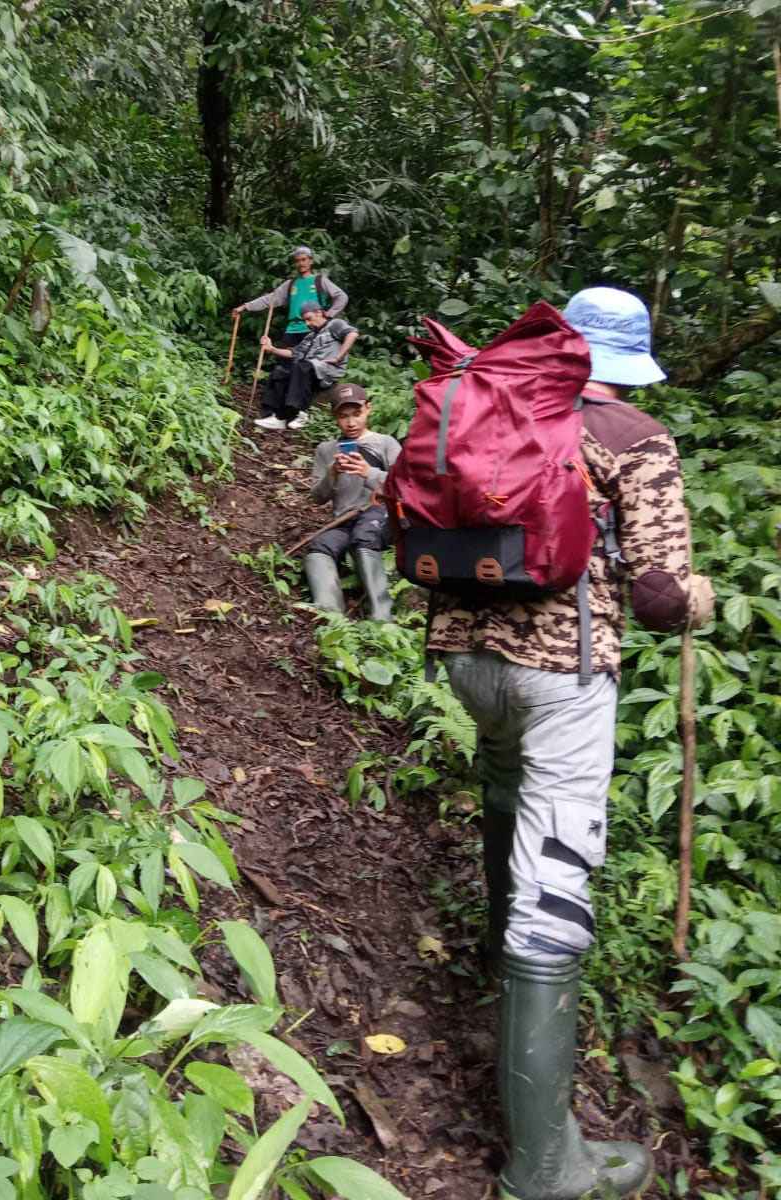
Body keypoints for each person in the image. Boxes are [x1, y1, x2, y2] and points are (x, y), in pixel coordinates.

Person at [427, 287, 715, 1200]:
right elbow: (661, 596)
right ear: (629, 360)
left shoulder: (483, 397)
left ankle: (496, 947)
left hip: (466, 663)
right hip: (564, 678)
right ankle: (546, 1168)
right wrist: (699, 599)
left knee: (505, 789)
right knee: (557, 869)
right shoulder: (634, 434)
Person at [304, 382, 400, 619]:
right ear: (334, 417)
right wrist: (332, 473)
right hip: (344, 520)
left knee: (364, 535)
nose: (351, 422)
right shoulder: (326, 450)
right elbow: (316, 498)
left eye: (356, 414)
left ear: (368, 409)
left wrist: (368, 472)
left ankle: (381, 615)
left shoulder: (386, 443)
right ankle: (332, 617)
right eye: (343, 416)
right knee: (319, 547)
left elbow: (404, 488)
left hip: (379, 515)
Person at [254, 303, 358, 431]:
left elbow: (352, 334)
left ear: (319, 313)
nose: (307, 324)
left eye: (309, 319)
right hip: (307, 370)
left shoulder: (334, 324)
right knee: (280, 372)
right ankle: (273, 416)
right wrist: (272, 349)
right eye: (305, 321)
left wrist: (339, 357)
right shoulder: (310, 336)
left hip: (328, 369)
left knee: (302, 366)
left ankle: (300, 413)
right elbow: (293, 353)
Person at [233, 245, 348, 350]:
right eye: (297, 261)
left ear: (310, 261)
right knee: (286, 364)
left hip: (314, 329)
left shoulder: (319, 280)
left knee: (309, 365)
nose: (301, 263)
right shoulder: (290, 284)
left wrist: (330, 313)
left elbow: (341, 296)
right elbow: (270, 299)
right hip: (292, 329)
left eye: (304, 259)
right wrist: (245, 307)